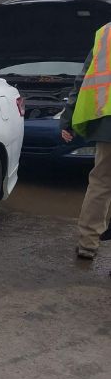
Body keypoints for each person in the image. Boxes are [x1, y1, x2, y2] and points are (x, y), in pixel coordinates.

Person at [60, 22, 111, 260]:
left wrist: (67, 117)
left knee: (101, 183)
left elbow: (83, 79)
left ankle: (88, 243)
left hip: (107, 121)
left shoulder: (105, 33)